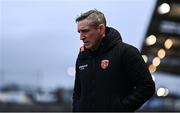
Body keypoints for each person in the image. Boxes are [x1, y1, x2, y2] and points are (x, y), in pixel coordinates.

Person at [73, 9, 155, 112]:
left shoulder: (126, 52)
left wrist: (121, 108)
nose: (81, 37)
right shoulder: (83, 56)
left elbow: (147, 86)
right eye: (79, 32)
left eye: (85, 31)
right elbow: (77, 92)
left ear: (101, 29)